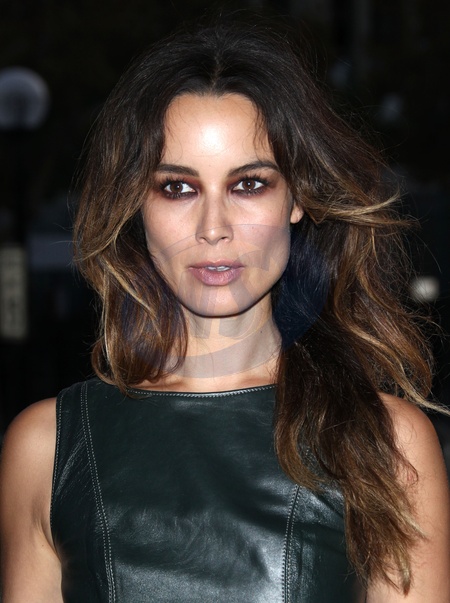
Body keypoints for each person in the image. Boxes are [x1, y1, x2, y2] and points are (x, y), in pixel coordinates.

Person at [0, 14, 449, 603]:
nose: (213, 228)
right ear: (137, 205)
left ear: (297, 198)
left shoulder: (387, 445)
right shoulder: (47, 448)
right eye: (177, 187)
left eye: (248, 184)